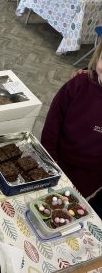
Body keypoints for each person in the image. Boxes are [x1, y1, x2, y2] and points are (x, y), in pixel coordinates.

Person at [41, 42, 102, 218]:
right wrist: (51, 160)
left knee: (60, 212)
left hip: (89, 177)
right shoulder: (79, 84)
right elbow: (52, 124)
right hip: (54, 160)